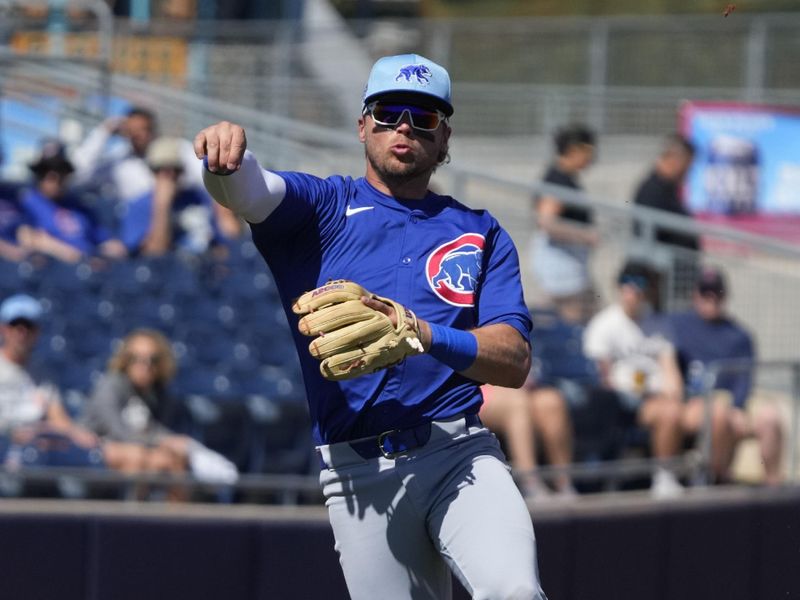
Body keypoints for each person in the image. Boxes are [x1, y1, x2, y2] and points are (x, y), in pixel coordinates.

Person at [195, 54, 547, 600]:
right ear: (363, 125)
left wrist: (421, 334)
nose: (404, 126)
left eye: (424, 117)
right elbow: (253, 191)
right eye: (388, 113)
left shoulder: (480, 232)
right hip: (358, 474)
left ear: (444, 136)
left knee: (514, 592)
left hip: (459, 454)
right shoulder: (323, 208)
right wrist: (225, 160)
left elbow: (514, 360)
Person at [655, 267, 783, 485]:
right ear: (695, 295)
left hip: (730, 403)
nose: (711, 299)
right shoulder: (675, 323)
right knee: (718, 412)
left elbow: (745, 377)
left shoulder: (740, 335)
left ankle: (774, 491)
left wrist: (739, 406)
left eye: (717, 293)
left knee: (770, 416)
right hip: (692, 401)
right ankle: (712, 480)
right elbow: (662, 354)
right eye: (706, 293)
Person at [0, 294, 144, 474]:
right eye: (15, 325)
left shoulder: (42, 373)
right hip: (8, 444)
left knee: (127, 456)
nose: (22, 333)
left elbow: (59, 418)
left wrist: (81, 436)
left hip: (40, 443)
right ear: (3, 329)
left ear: (37, 331)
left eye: (28, 326)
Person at [81, 328, 238, 491]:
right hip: (95, 448)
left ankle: (176, 515)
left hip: (136, 446)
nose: (144, 366)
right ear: (125, 360)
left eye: (152, 360)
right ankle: (131, 515)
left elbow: (151, 428)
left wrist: (178, 443)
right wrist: (163, 441)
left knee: (173, 459)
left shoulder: (156, 394)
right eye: (136, 359)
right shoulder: (110, 386)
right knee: (140, 457)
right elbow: (117, 431)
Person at [583, 263, 686, 498]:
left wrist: (671, 392)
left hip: (657, 398)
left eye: (638, 284)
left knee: (685, 411)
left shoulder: (660, 324)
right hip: (621, 402)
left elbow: (671, 373)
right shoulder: (604, 324)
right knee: (669, 413)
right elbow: (603, 379)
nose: (631, 291)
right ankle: (664, 476)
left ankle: (697, 479)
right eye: (626, 283)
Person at [71, 107, 242, 238]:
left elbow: (210, 178)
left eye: (144, 129)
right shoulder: (118, 161)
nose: (140, 136)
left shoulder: (175, 150)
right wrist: (104, 131)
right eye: (133, 131)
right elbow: (78, 175)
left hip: (183, 220)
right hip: (141, 229)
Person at [530, 123, 599, 323]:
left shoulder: (567, 178)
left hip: (569, 266)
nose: (592, 157)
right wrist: (586, 236)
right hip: (562, 269)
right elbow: (546, 222)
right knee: (573, 325)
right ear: (574, 149)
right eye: (589, 151)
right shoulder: (557, 179)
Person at [119, 137, 233, 257]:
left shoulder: (198, 196)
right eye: (162, 170)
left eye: (176, 170)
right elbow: (155, 254)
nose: (170, 175)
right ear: (153, 172)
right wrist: (162, 205)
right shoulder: (138, 205)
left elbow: (228, 238)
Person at [19, 139, 127, 263]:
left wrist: (113, 249)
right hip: (52, 273)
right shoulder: (27, 202)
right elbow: (27, 239)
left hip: (88, 271)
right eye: (46, 170)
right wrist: (71, 254)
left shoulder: (78, 205)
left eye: (59, 170)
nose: (54, 177)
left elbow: (105, 240)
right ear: (38, 174)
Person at [632, 134, 699, 309]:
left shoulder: (668, 188)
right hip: (663, 281)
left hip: (676, 277)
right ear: (675, 159)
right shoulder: (652, 190)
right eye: (687, 166)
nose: (688, 172)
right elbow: (647, 237)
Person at [480, 383, 575, 500]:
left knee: (551, 401)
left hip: (521, 389)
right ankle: (530, 483)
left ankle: (563, 485)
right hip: (474, 392)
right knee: (517, 402)